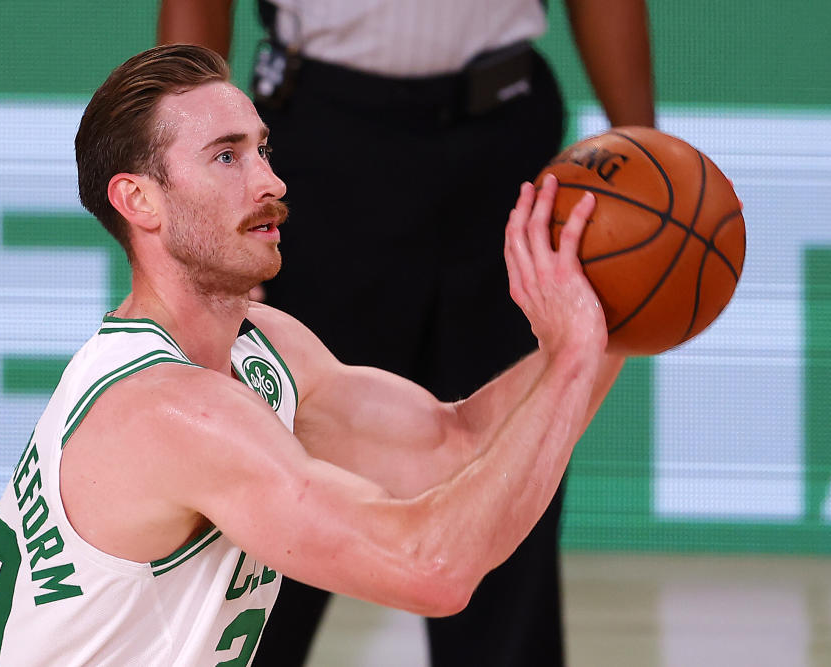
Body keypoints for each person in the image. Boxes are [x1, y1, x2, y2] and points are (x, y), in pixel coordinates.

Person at [0, 44, 623, 666]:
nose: (270, 180)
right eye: (227, 157)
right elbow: (432, 569)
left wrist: (614, 324)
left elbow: (455, 445)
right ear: (140, 200)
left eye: (262, 149)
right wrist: (570, 360)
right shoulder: (165, 411)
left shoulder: (263, 343)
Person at [158, 1, 654, 665]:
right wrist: (196, 198)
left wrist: (642, 163)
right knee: (276, 487)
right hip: (322, 143)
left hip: (504, 145)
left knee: (511, 482)